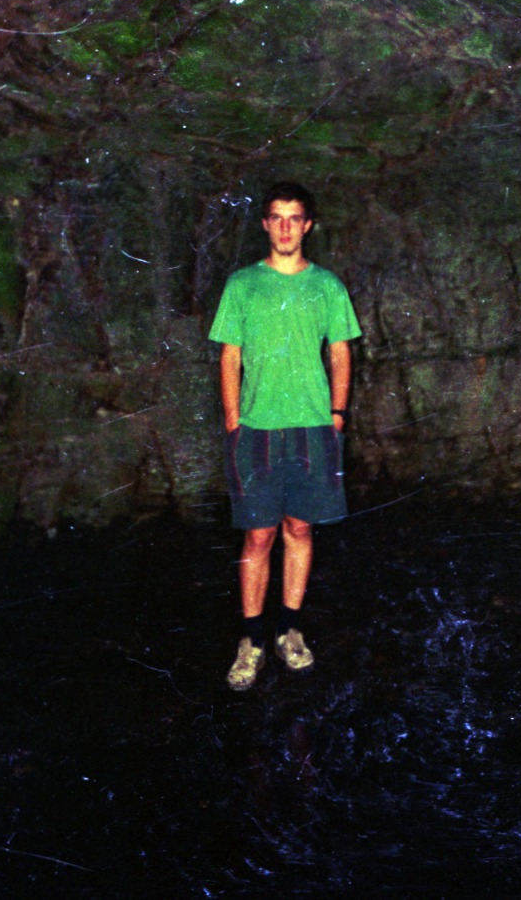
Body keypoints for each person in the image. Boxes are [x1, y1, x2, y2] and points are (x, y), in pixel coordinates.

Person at [208, 182, 362, 690]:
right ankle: (251, 639)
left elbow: (340, 351)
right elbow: (230, 354)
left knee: (300, 529)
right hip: (256, 428)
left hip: (313, 427)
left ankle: (289, 630)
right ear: (265, 224)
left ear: (308, 225)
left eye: (295, 218)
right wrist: (234, 419)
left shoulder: (327, 286)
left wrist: (336, 414)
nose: (286, 227)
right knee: (259, 534)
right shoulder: (243, 285)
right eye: (277, 217)